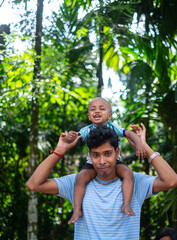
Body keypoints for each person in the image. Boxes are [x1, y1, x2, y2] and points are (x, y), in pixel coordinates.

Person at [26, 123, 177, 240]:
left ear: (117, 152)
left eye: (108, 154)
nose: (102, 161)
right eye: (96, 155)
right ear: (90, 156)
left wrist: (144, 147)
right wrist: (60, 150)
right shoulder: (78, 183)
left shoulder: (134, 182)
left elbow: (172, 180)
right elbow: (34, 184)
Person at [64, 97, 146, 224]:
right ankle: (77, 210)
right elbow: (75, 138)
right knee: (80, 178)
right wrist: (70, 136)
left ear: (109, 115)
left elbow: (129, 133)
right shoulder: (87, 130)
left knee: (128, 174)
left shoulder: (113, 127)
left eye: (102, 109)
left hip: (114, 162)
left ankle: (126, 204)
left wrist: (140, 143)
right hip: (92, 163)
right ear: (89, 116)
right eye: (93, 109)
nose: (97, 111)